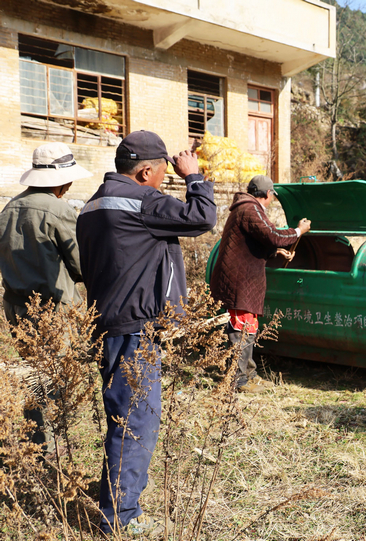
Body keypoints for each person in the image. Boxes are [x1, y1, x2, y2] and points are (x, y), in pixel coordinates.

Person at [76, 130, 216, 535]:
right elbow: (203, 217)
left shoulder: (91, 204)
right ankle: (119, 518)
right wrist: (193, 177)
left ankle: (119, 499)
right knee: (136, 422)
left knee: (122, 419)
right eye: (161, 175)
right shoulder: (141, 201)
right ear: (145, 171)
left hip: (105, 325)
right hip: (135, 330)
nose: (162, 182)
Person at [0, 142, 91, 455]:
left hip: (16, 305)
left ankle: (34, 436)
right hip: (53, 309)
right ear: (62, 181)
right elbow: (81, 266)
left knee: (34, 373)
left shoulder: (9, 207)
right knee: (55, 378)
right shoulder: (59, 209)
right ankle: (48, 446)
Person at [210, 175, 311, 393]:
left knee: (249, 325)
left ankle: (249, 373)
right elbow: (272, 234)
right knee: (242, 328)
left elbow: (255, 241)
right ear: (267, 194)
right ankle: (238, 381)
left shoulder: (246, 208)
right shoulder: (251, 209)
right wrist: (298, 232)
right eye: (273, 194)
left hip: (243, 278)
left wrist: (276, 251)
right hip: (240, 279)